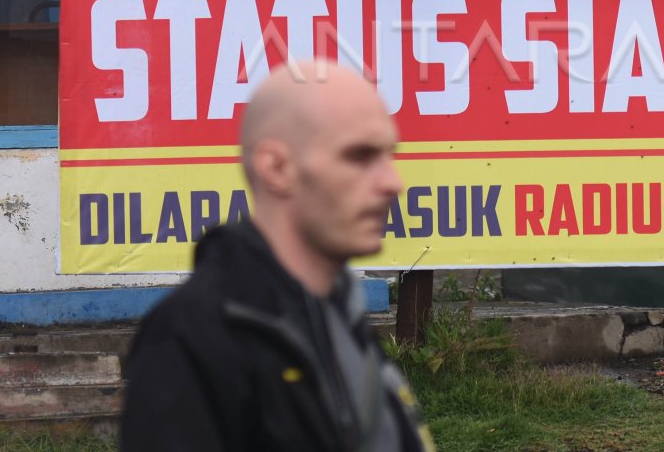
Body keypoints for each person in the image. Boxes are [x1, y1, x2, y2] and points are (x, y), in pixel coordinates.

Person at [121, 60, 433, 452]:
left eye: (389, 156)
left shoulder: (337, 314)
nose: (392, 182)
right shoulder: (191, 340)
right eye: (359, 156)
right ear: (276, 167)